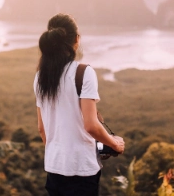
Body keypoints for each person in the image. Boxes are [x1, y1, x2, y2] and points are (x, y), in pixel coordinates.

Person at [34, 13, 125, 196]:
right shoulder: (84, 73)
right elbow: (91, 125)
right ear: (76, 40)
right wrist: (114, 144)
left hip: (54, 169)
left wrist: (60, 154)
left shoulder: (40, 77)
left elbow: (41, 129)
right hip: (81, 170)